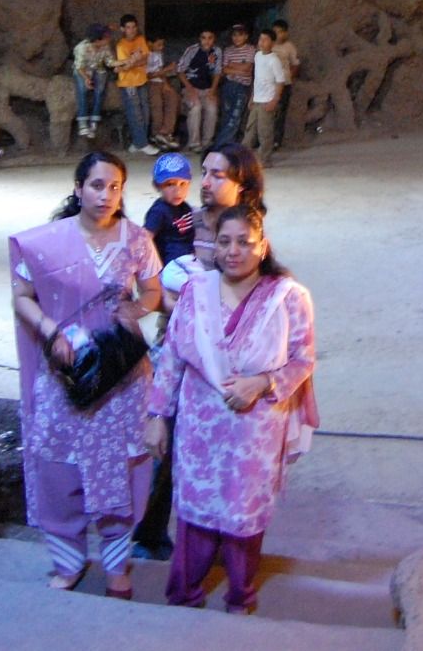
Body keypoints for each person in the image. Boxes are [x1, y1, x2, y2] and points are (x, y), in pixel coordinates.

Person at [143, 204, 317, 614]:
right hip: (200, 423)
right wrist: (156, 417)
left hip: (255, 427)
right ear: (214, 247)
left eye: (244, 241)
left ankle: (241, 597)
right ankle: (185, 594)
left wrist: (262, 383)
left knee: (244, 514)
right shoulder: (195, 293)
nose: (234, 250)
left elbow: (302, 359)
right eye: (224, 241)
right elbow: (172, 358)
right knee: (196, 514)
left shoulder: (289, 297)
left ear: (263, 245)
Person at [9, 152, 162, 597]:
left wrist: (135, 308)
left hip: (123, 375)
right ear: (78, 189)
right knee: (59, 468)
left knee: (123, 467)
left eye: (115, 187)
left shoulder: (137, 240)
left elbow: (153, 289)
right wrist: (50, 331)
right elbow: (22, 295)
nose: (106, 195)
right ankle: (69, 560)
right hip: (66, 370)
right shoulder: (46, 243)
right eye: (97, 185)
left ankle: (118, 565)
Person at [132, 142, 268, 561]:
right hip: (175, 352)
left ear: (242, 183)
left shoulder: (246, 234)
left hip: (224, 363)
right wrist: (171, 304)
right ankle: (148, 534)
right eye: (204, 172)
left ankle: (217, 542)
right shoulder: (181, 220)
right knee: (163, 444)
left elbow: (251, 300)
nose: (203, 182)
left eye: (217, 175)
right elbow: (148, 278)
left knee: (221, 454)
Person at [142, 152, 197, 269]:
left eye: (183, 184)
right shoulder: (159, 212)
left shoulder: (185, 206)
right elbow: (144, 239)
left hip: (190, 258)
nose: (177, 191)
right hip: (171, 265)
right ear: (157, 186)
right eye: (170, 184)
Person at [242, 28, 287, 164]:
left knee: (265, 131)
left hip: (267, 101)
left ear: (272, 43)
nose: (261, 42)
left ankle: (264, 159)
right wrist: (252, 97)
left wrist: (275, 100)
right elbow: (258, 79)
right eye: (260, 39)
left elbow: (280, 81)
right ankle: (243, 156)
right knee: (250, 129)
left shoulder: (274, 60)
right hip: (257, 100)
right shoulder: (257, 56)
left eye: (265, 40)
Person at [115, 14, 155, 154]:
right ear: (122, 29)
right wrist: (130, 63)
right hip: (128, 83)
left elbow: (144, 61)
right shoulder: (121, 45)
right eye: (128, 27)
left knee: (145, 112)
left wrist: (131, 62)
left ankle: (138, 143)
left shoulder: (140, 40)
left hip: (141, 80)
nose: (131, 30)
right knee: (135, 113)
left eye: (133, 27)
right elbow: (125, 66)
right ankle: (143, 144)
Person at [177, 29, 222, 152]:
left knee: (212, 109)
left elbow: (217, 72)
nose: (207, 41)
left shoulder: (217, 51)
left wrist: (213, 91)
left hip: (207, 89)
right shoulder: (192, 50)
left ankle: (207, 142)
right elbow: (180, 71)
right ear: (200, 39)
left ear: (214, 39)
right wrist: (190, 89)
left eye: (210, 38)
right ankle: (194, 143)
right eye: (204, 38)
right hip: (190, 87)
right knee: (196, 107)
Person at [213, 23, 255, 146]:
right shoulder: (228, 50)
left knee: (235, 116)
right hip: (229, 85)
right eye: (234, 35)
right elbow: (223, 69)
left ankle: (222, 142)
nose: (237, 38)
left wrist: (232, 66)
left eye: (240, 35)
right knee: (226, 115)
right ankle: (227, 142)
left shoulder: (251, 49)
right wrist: (239, 68)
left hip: (242, 87)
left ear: (246, 36)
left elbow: (247, 68)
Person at [71, 24, 114, 141]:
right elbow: (79, 66)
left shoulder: (105, 46)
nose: (109, 38)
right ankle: (83, 122)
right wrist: (86, 79)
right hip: (83, 70)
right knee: (82, 90)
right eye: (106, 36)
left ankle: (94, 121)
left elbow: (110, 62)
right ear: (98, 39)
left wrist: (126, 61)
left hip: (97, 69)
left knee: (100, 90)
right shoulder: (81, 48)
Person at [146, 35, 181, 151]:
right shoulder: (145, 54)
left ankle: (166, 132)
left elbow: (160, 71)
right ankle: (156, 134)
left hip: (160, 82)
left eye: (162, 45)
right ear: (149, 43)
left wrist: (166, 84)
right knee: (157, 105)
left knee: (173, 98)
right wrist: (167, 69)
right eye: (158, 45)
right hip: (150, 83)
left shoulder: (158, 54)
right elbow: (148, 75)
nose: (161, 47)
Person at [269, 19, 300, 150]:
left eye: (280, 32)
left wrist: (289, 78)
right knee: (266, 113)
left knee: (280, 113)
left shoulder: (289, 47)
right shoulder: (267, 45)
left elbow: (295, 65)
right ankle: (264, 140)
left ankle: (276, 140)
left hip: (284, 84)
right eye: (275, 32)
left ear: (286, 33)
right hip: (268, 84)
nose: (277, 35)